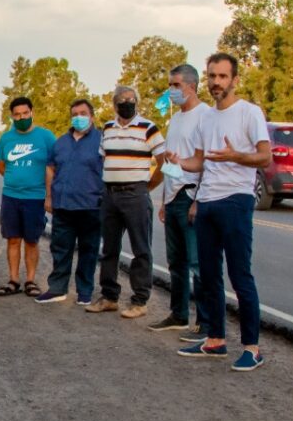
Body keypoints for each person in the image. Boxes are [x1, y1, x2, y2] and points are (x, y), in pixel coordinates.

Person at [174, 52, 270, 371]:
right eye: (212, 76)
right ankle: (215, 339)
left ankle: (252, 347)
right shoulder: (206, 117)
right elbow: (201, 161)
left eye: (223, 77)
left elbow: (264, 158)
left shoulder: (249, 113)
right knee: (209, 274)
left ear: (234, 80)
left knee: (240, 274)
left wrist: (235, 156)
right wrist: (179, 163)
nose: (216, 82)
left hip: (236, 200)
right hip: (208, 201)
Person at [87, 86, 165, 318]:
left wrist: (147, 186)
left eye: (130, 99)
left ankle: (139, 300)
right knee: (109, 248)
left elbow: (163, 162)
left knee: (141, 249)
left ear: (137, 102)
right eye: (121, 100)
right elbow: (104, 158)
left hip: (135, 194)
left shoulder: (148, 128)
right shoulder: (108, 129)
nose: (126, 103)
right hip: (110, 194)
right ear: (114, 104)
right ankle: (109, 296)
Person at [150, 65, 212, 335]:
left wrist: (199, 200)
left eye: (175, 85)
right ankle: (178, 314)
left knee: (198, 262)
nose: (171, 91)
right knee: (176, 261)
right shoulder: (175, 118)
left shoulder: (205, 116)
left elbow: (208, 163)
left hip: (191, 195)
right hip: (174, 196)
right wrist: (164, 199)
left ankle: (206, 322)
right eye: (170, 85)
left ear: (192, 86)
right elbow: (169, 162)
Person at [38, 99, 104, 305]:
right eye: (75, 113)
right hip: (63, 205)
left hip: (91, 205)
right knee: (60, 249)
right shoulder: (61, 142)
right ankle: (57, 288)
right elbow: (50, 168)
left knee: (89, 249)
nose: (79, 117)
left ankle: (84, 291)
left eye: (83, 113)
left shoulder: (102, 140)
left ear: (92, 116)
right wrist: (49, 196)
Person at [0, 97, 57, 297]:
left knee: (31, 240)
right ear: (12, 116)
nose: (21, 117)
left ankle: (30, 280)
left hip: (35, 198)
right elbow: (1, 166)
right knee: (13, 239)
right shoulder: (6, 138)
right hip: (11, 196)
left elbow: (52, 167)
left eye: (25, 113)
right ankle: (13, 280)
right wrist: (16, 180)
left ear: (32, 112)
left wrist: (48, 196)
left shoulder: (46, 137)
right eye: (17, 114)